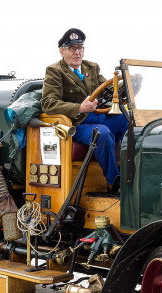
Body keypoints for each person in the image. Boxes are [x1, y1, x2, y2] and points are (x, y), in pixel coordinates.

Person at [41, 28, 127, 193]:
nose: (77, 53)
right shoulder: (55, 71)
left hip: (100, 116)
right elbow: (48, 103)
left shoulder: (91, 68)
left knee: (127, 120)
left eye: (80, 48)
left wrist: (130, 84)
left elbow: (108, 88)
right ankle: (113, 181)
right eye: (72, 49)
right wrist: (80, 108)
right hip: (76, 124)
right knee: (101, 133)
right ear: (62, 51)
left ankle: (131, 172)